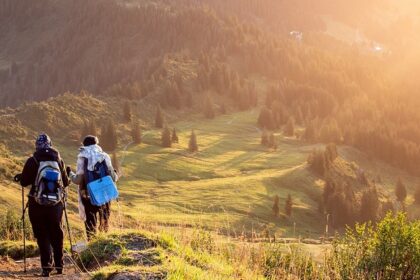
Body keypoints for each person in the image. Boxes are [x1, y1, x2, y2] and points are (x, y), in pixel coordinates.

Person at [17, 134, 69, 277]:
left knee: (42, 235)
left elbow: (24, 182)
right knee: (57, 234)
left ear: (37, 145)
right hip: (56, 205)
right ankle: (59, 266)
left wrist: (21, 177)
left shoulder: (32, 160)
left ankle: (46, 268)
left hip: (36, 203)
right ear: (50, 144)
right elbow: (66, 182)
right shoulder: (59, 160)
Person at [67, 135, 118, 240]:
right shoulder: (104, 156)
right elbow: (114, 178)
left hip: (88, 195)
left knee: (90, 223)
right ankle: (104, 243)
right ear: (96, 144)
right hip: (104, 194)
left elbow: (78, 180)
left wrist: (70, 173)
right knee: (104, 221)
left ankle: (92, 245)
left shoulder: (82, 157)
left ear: (84, 145)